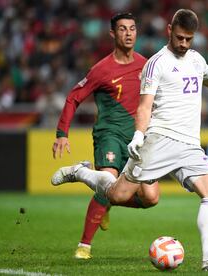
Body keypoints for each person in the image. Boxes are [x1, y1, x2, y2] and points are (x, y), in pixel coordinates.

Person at [52, 9, 208, 270]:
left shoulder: (195, 59)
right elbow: (145, 105)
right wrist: (139, 134)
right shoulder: (156, 63)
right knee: (118, 193)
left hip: (190, 144)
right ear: (169, 29)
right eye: (179, 37)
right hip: (159, 140)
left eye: (188, 39)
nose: (183, 44)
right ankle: (81, 173)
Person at [51, 12, 159, 260]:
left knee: (151, 198)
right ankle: (84, 245)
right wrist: (61, 134)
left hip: (139, 139)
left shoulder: (146, 65)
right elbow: (73, 97)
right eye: (122, 29)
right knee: (107, 180)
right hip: (109, 133)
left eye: (132, 28)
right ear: (113, 34)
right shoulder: (101, 69)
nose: (128, 33)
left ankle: (106, 198)